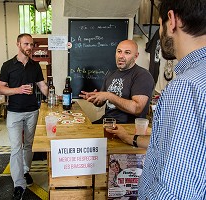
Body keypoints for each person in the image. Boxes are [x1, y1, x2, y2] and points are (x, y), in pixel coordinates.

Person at [138, 0, 206, 199]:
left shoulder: (186, 88)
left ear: (172, 20)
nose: (160, 33)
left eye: (159, 25)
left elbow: (175, 192)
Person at [0, 33, 48, 200]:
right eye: (26, 44)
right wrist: (17, 90)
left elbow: (42, 86)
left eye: (31, 44)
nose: (29, 47)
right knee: (16, 147)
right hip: (14, 112)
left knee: (28, 144)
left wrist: (54, 96)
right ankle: (19, 183)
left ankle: (25, 171)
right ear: (18, 44)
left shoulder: (35, 66)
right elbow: (0, 88)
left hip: (33, 111)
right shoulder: (7, 65)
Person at [79, 40, 155, 124]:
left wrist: (109, 95)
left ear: (136, 56)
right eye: (119, 51)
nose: (121, 56)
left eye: (127, 53)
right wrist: (95, 99)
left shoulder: (142, 75)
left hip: (127, 128)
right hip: (107, 122)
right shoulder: (111, 74)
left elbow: (137, 109)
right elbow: (102, 102)